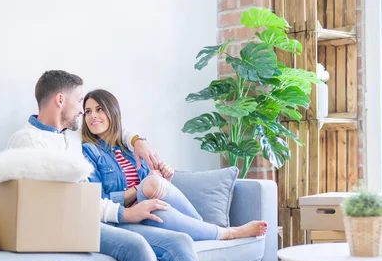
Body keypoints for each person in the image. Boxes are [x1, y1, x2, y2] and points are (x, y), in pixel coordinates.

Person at [7, 70, 202, 261]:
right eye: (80, 102)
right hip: (63, 225)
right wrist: (125, 213)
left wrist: (137, 141)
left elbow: (112, 129)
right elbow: (65, 202)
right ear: (61, 100)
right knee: (136, 245)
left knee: (179, 241)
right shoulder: (28, 142)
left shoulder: (68, 138)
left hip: (86, 218)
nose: (83, 112)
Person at [81, 89, 268, 241]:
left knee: (156, 186)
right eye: (88, 112)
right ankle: (226, 233)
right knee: (153, 191)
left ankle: (210, 230)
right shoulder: (89, 151)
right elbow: (98, 200)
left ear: (113, 112)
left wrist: (161, 177)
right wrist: (142, 187)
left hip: (148, 201)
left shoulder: (131, 148)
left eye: (99, 109)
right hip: (127, 215)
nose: (92, 116)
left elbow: (149, 179)